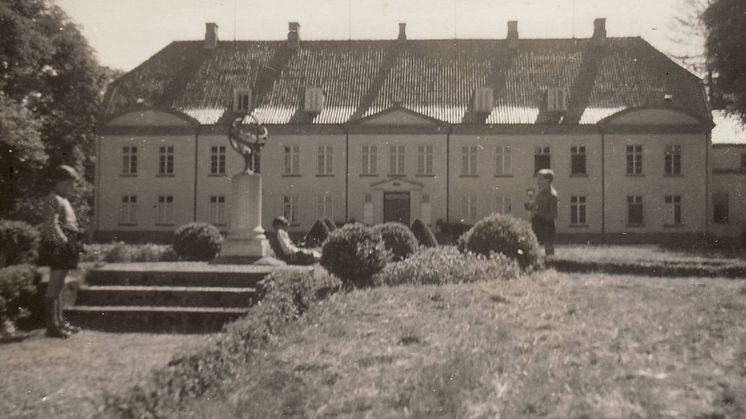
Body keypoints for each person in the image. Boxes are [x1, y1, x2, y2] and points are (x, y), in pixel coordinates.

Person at [40, 165, 83, 338]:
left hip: (67, 244)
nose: (73, 187)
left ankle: (60, 322)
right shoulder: (53, 199)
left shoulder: (63, 199)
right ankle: (52, 326)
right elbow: (52, 225)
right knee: (54, 286)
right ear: (63, 182)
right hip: (59, 246)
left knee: (59, 286)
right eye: (72, 183)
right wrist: (64, 242)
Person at [528, 169, 558, 257]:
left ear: (547, 181)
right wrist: (531, 206)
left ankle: (551, 268)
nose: (538, 181)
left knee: (549, 253)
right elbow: (537, 206)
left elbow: (553, 214)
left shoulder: (552, 196)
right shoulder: (540, 193)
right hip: (537, 223)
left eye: (540, 179)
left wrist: (537, 213)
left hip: (547, 225)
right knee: (533, 249)